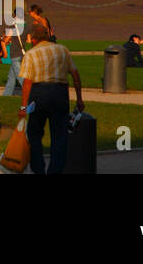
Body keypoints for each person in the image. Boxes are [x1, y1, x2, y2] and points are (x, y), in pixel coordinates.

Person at [18, 22, 84, 175]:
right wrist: (79, 99)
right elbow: (75, 75)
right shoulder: (62, 50)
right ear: (47, 36)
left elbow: (27, 82)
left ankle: (38, 169)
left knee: (34, 133)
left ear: (33, 39)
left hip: (39, 93)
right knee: (59, 135)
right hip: (60, 92)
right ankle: (55, 170)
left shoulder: (31, 54)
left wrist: (23, 107)